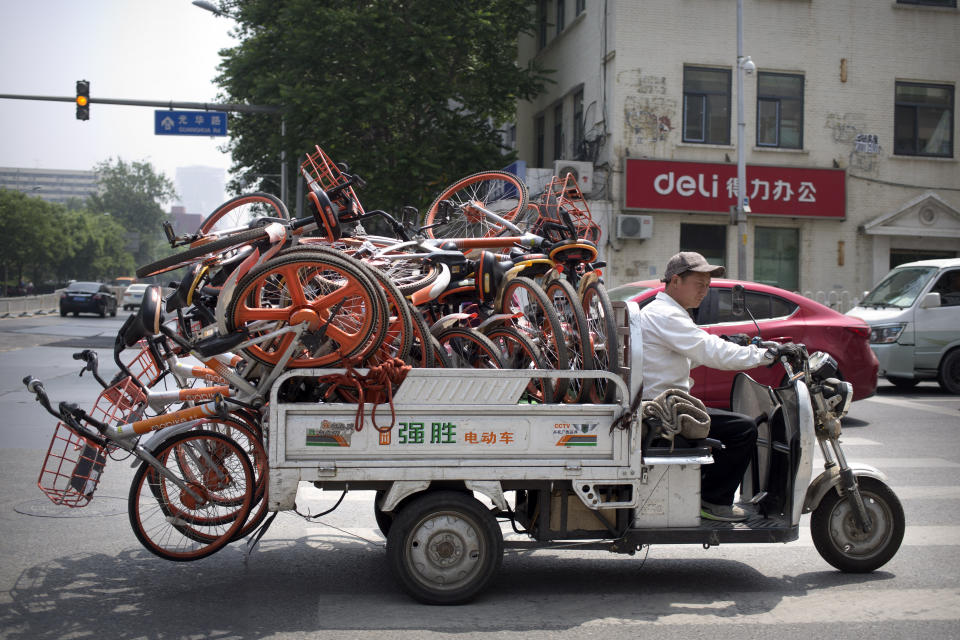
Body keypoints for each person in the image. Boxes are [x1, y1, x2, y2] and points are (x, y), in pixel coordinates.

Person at [639, 251, 802, 522]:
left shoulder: (666, 312)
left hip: (664, 403)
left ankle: (703, 490)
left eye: (707, 285)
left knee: (731, 426)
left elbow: (689, 354)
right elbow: (710, 352)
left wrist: (733, 343)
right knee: (744, 429)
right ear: (676, 281)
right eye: (699, 284)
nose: (704, 292)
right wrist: (767, 356)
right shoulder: (666, 315)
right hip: (663, 410)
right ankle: (714, 501)